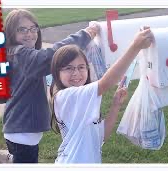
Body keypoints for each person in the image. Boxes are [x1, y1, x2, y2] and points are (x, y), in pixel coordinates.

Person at [0, 9, 99, 163]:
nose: (29, 34)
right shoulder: (20, 53)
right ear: (11, 33)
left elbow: (2, 96)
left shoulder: (14, 54)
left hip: (19, 131)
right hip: (23, 135)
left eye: (33, 28)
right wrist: (84, 35)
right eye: (22, 29)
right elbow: (48, 57)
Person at [50, 27, 153, 163]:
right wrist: (135, 47)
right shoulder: (64, 97)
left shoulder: (82, 98)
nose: (76, 73)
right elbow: (106, 83)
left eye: (81, 67)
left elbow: (101, 136)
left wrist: (115, 105)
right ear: (57, 73)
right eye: (69, 68)